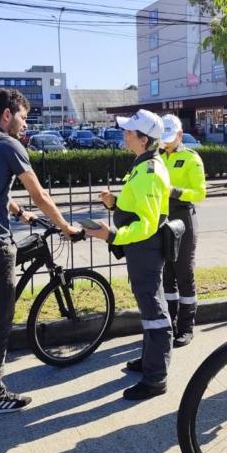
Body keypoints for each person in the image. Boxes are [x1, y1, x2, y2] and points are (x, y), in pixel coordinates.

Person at [0, 88, 80, 416]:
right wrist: (65, 227)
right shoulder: (10, 146)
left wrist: (19, 213)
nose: (25, 124)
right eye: (23, 117)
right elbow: (39, 194)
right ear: (7, 115)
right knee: (1, 321)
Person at [86, 109, 173, 401]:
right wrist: (114, 203)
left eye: (129, 131)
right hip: (141, 250)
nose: (124, 134)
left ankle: (155, 378)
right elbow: (136, 206)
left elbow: (146, 225)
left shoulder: (149, 171)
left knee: (153, 310)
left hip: (145, 248)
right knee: (149, 306)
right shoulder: (143, 164)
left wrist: (111, 234)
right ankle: (150, 360)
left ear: (144, 138)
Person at [159, 114, 207, 348]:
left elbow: (199, 193)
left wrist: (173, 191)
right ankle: (170, 321)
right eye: (162, 139)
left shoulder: (191, 158)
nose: (166, 143)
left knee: (184, 274)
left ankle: (186, 327)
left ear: (180, 135)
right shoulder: (156, 156)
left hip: (183, 217)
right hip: (161, 217)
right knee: (167, 273)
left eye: (169, 138)